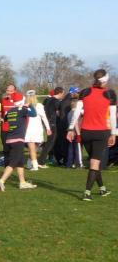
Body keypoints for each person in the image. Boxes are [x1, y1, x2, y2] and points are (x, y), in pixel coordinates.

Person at [67, 69, 117, 201]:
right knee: (95, 163)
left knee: (95, 162)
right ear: (105, 80)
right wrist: (113, 133)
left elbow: (76, 112)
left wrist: (71, 129)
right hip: (101, 132)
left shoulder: (85, 92)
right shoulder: (110, 94)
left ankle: (102, 189)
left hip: (86, 132)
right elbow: (112, 116)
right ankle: (87, 192)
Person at [0, 92, 38, 191]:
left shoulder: (10, 111)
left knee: (20, 162)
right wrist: (29, 104)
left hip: (9, 139)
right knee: (13, 163)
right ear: (22, 101)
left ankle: (22, 182)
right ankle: (1, 182)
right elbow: (34, 114)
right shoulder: (23, 110)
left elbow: (5, 119)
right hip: (18, 140)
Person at [24, 90, 51, 171]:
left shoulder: (38, 106)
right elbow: (44, 118)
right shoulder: (27, 106)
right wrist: (48, 128)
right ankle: (32, 165)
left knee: (33, 149)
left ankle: (32, 164)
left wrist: (48, 128)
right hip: (34, 130)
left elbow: (44, 117)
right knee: (33, 148)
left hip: (32, 130)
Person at [38, 87, 64, 167]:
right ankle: (41, 162)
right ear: (60, 93)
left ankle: (46, 156)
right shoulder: (56, 101)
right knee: (50, 142)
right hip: (52, 123)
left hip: (47, 122)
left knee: (51, 142)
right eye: (63, 93)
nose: (63, 95)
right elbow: (58, 112)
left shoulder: (48, 100)